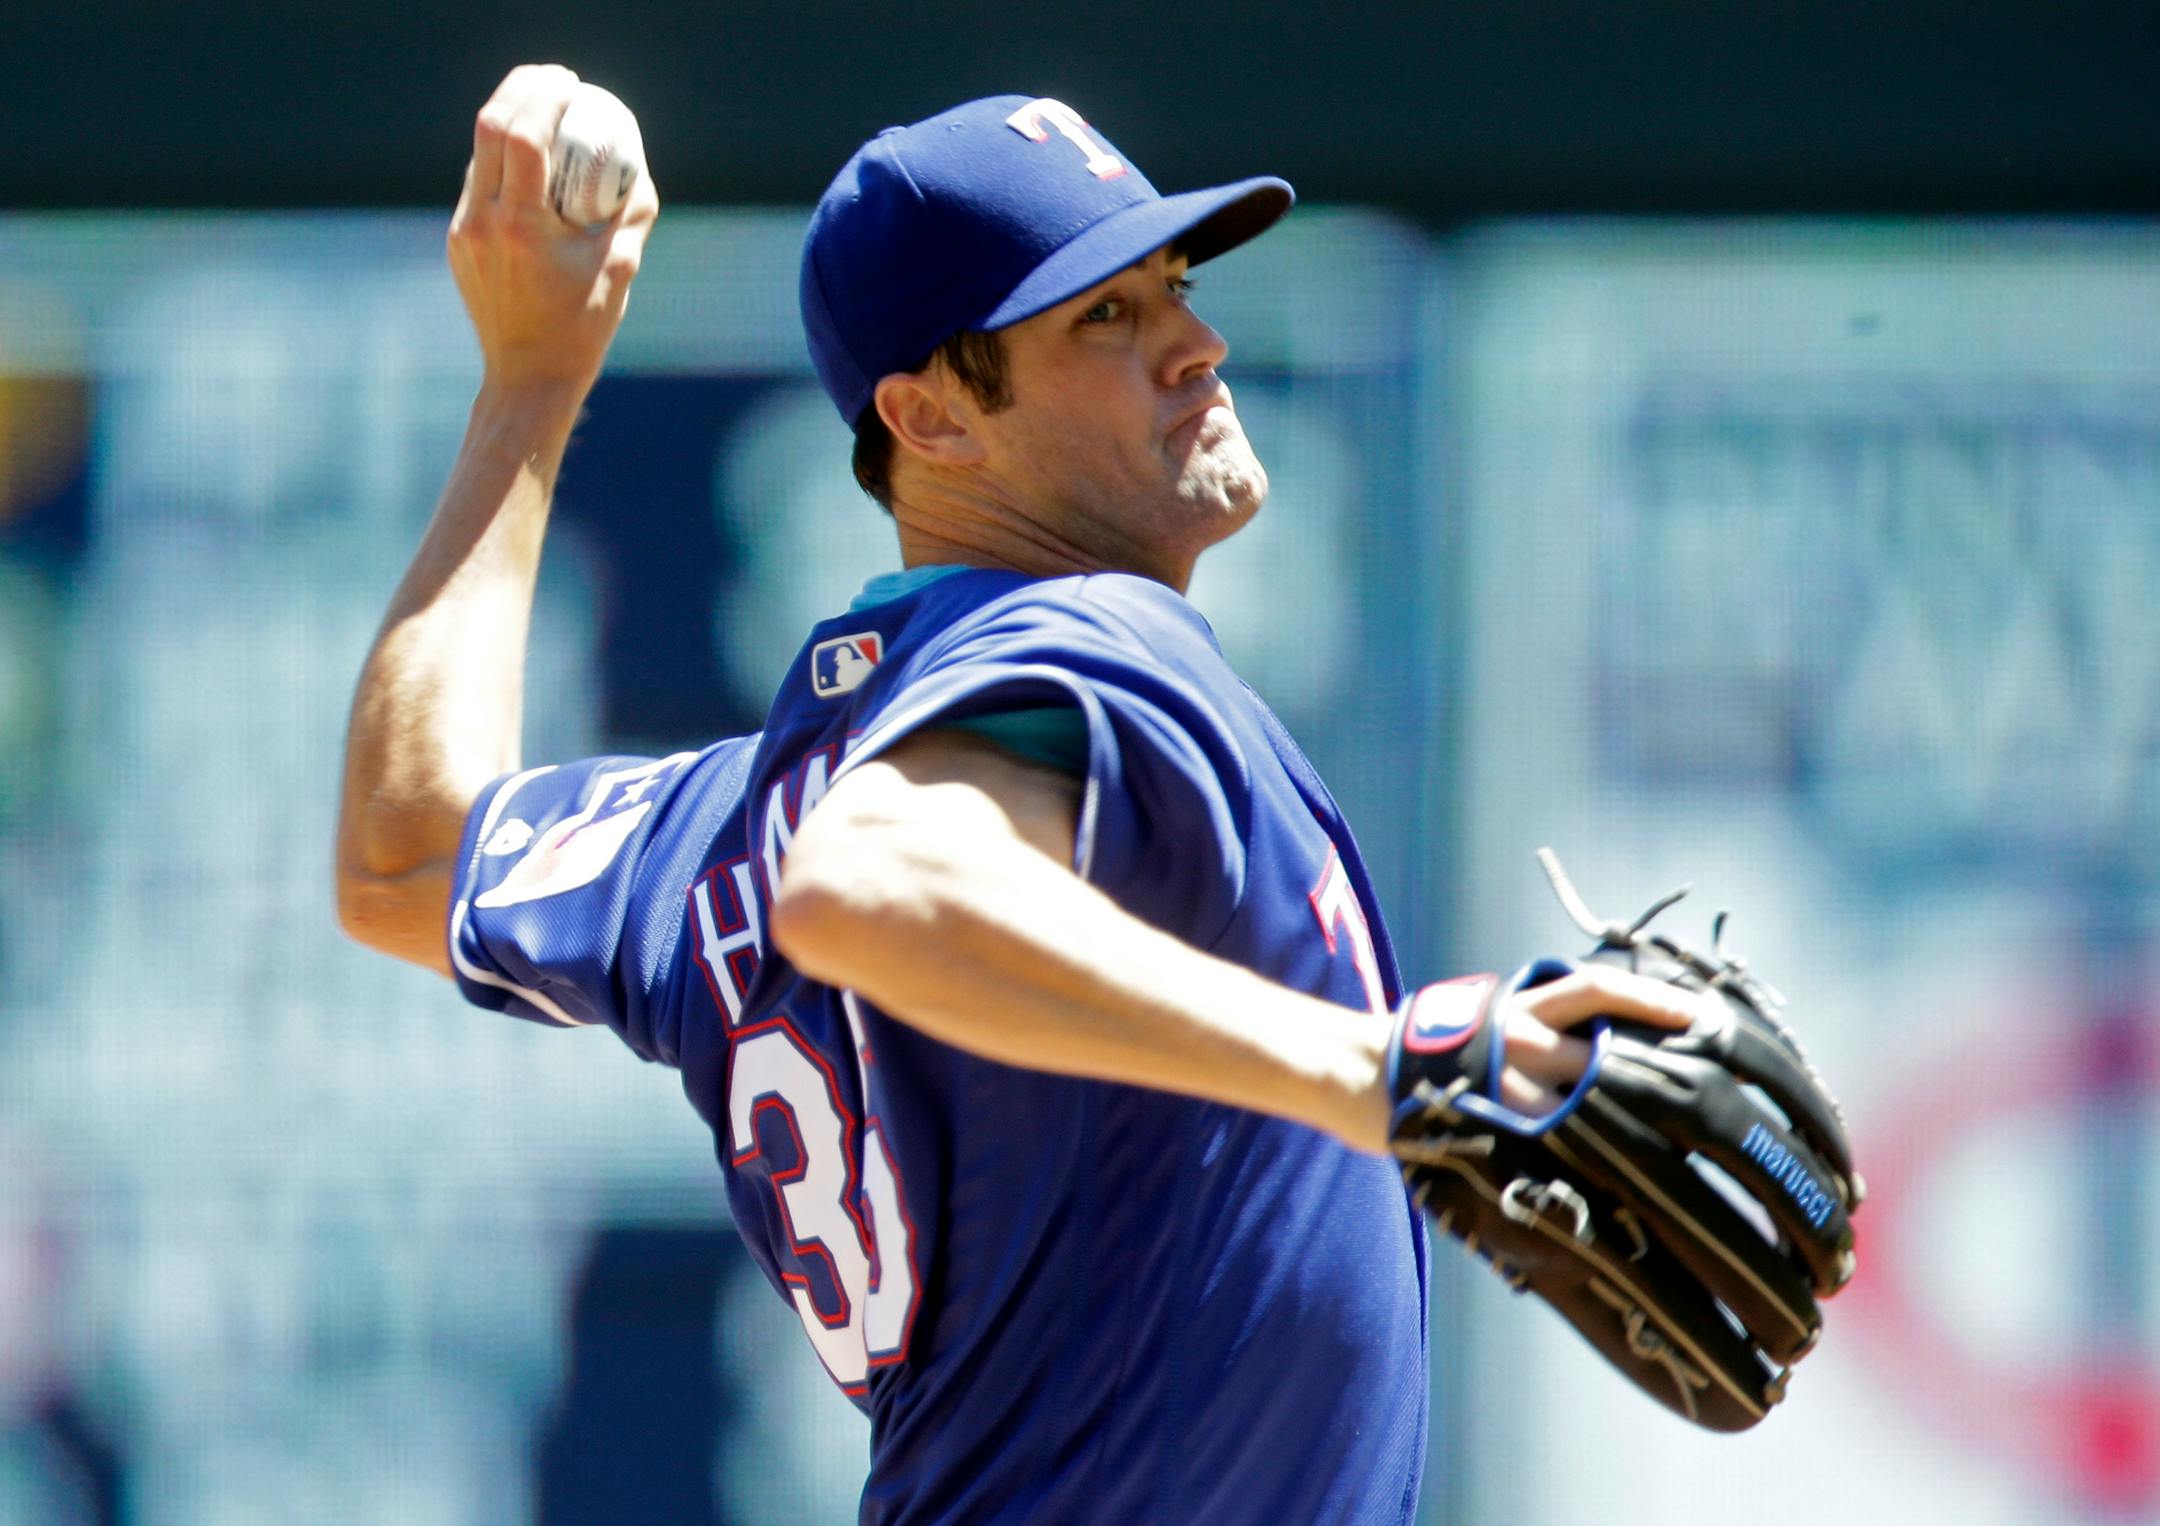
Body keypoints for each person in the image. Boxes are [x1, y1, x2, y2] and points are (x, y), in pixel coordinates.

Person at [336, 66, 1716, 1523]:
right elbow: (871, 885)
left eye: (1173, 282)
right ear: (931, 417)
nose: (1198, 343)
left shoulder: (727, 823)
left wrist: (532, 383)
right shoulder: (1081, 636)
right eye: (1104, 317)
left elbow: (406, 855)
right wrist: (1379, 1072)